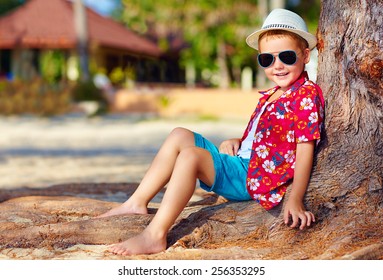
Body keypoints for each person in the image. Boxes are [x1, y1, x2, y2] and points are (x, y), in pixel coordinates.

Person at [98, 8, 325, 256]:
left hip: (255, 176)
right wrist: (237, 140)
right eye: (267, 60)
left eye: (287, 57)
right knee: (180, 134)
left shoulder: (305, 95)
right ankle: (136, 202)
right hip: (244, 162)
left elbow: (305, 149)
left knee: (191, 156)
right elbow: (265, 136)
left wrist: (295, 198)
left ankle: (155, 235)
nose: (277, 66)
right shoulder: (274, 93)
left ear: (305, 55)